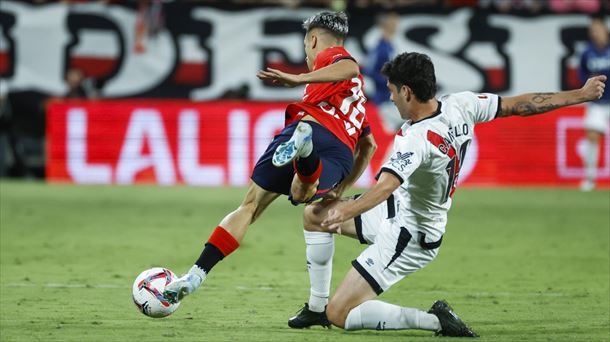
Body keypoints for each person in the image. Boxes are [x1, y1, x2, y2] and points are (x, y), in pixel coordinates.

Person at [288, 52, 606, 336]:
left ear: (407, 92)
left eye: (392, 90)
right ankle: (316, 308)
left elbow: (386, 186)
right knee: (313, 216)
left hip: (410, 235)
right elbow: (518, 105)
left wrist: (347, 210)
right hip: (397, 211)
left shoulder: (417, 139)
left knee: (340, 313)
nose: (391, 97)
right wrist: (578, 94)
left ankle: (435, 321)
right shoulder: (461, 105)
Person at [163, 11, 377, 304]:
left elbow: (350, 66)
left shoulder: (332, 56)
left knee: (249, 206)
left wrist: (298, 77)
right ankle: (195, 275)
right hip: (337, 148)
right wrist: (344, 186)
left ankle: (197, 272)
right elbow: (369, 146)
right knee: (302, 193)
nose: (307, 56)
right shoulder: (357, 101)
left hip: (308, 126)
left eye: (305, 48)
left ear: (312, 40)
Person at [579, 15, 610, 191]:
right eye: (592, 30)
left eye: (597, 28)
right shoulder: (587, 52)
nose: (595, 32)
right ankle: (590, 178)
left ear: (605, 29)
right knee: (592, 136)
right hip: (598, 102)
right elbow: (581, 74)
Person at [363, 12, 402, 131]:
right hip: (382, 101)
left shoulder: (389, 46)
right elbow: (369, 71)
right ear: (386, 25)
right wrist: (391, 81)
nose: (396, 25)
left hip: (390, 99)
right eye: (393, 22)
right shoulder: (381, 48)